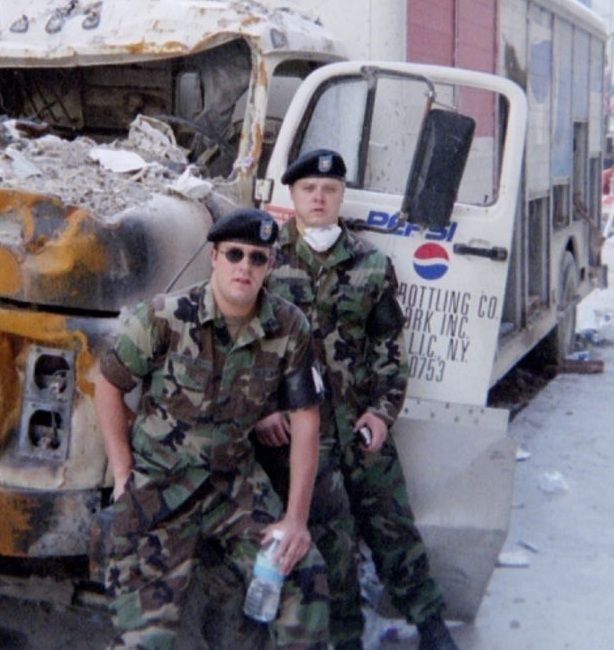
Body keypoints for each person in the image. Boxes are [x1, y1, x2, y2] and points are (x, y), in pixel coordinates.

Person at [96, 208, 330, 650]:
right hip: (160, 483)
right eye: (235, 254)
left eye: (258, 258)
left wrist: (295, 520)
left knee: (305, 579)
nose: (245, 266)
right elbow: (108, 384)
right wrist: (123, 471)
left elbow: (306, 421)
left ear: (270, 265)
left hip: (234, 484)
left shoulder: (288, 327)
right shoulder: (166, 317)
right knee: (148, 639)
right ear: (215, 258)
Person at [254, 149, 459, 650]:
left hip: (361, 426)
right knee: (331, 541)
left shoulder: (370, 264)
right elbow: (247, 349)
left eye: (329, 190)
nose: (319, 198)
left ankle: (431, 624)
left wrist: (384, 414)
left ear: (341, 195)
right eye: (308, 190)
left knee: (393, 526)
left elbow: (391, 350)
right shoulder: (264, 261)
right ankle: (344, 636)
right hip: (303, 436)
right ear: (293, 197)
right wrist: (263, 411)